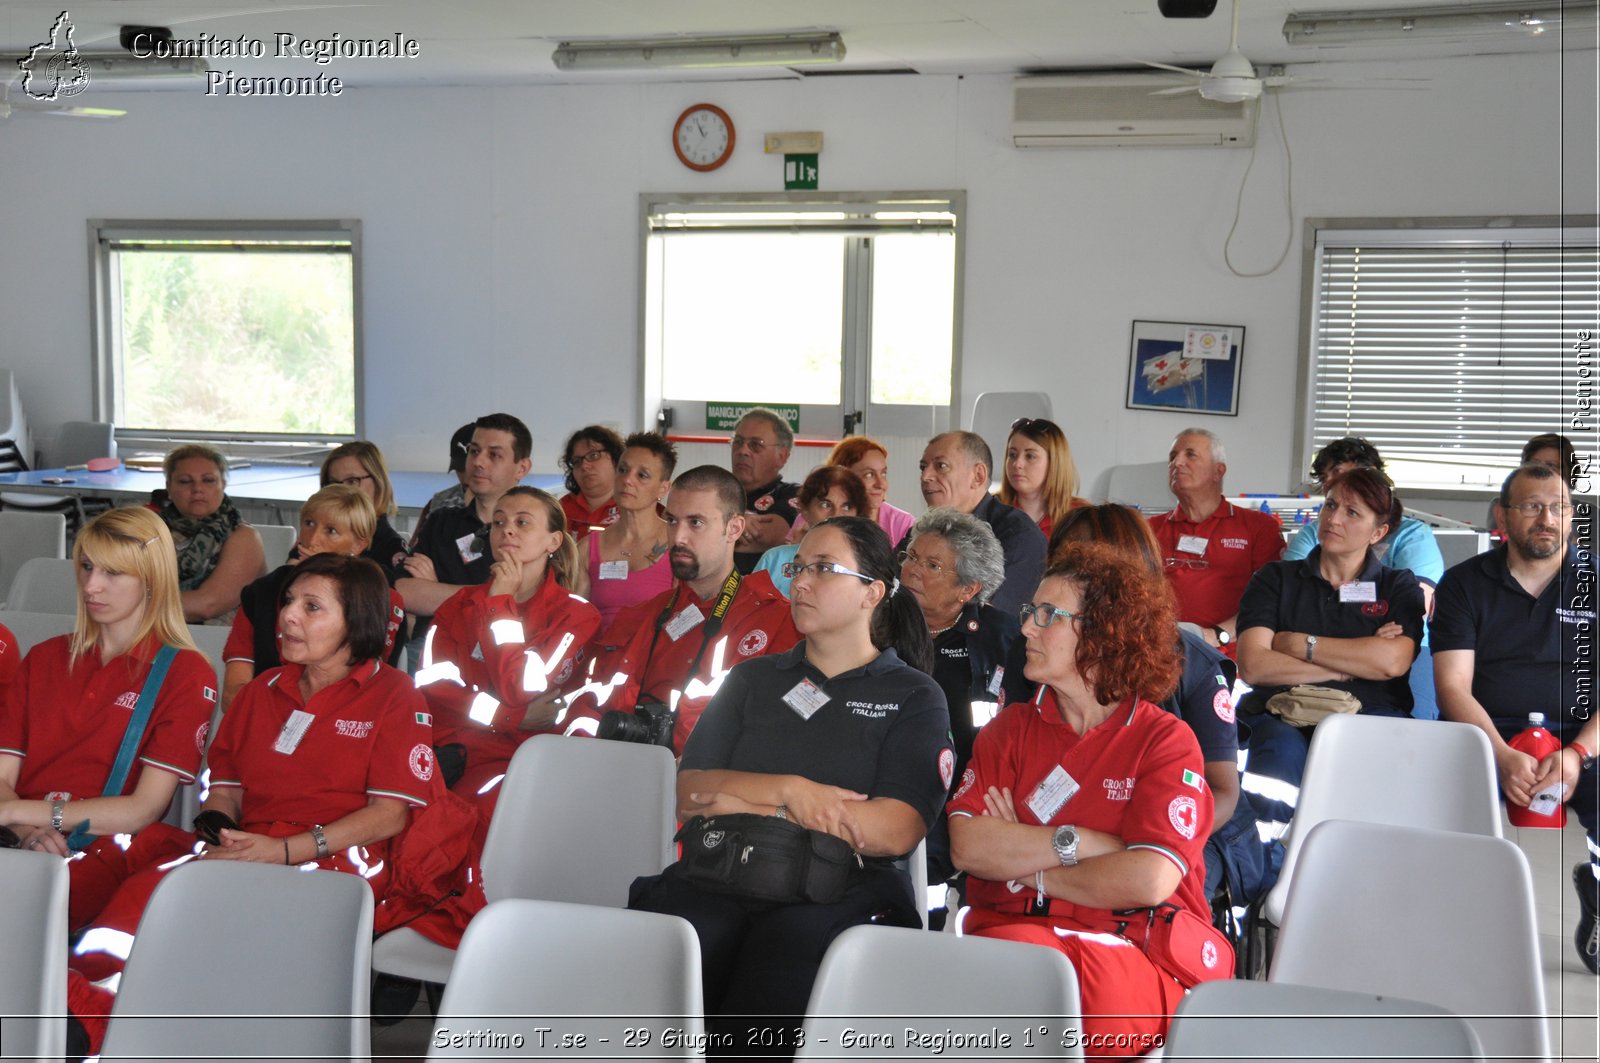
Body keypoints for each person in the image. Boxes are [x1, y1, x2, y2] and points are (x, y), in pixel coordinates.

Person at [629, 516, 952, 1054]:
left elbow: (893, 830)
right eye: (798, 567)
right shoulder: (753, 678)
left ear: (873, 591)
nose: (799, 582)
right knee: (680, 941)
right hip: (725, 870)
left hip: (837, 887)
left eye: (823, 569)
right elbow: (690, 794)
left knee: (785, 953)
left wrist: (745, 800)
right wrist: (792, 792)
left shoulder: (913, 696)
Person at [73, 553, 437, 983]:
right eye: (288, 601)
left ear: (356, 621)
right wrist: (225, 834)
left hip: (339, 859)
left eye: (311, 606)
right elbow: (227, 792)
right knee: (131, 873)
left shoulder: (395, 695)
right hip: (253, 847)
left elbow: (388, 815)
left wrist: (284, 851)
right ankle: (72, 1000)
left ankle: (100, 1016)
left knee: (193, 906)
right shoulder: (259, 693)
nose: (287, 616)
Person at [948, 542, 1214, 1056]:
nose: (1026, 627)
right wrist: (1086, 842)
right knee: (1003, 974)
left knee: (1009, 982)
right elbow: (969, 846)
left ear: (1102, 631)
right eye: (1030, 612)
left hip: (1131, 953)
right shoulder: (1010, 730)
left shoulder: (1164, 741)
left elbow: (1148, 877)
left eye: (1047, 615)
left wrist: (1026, 865)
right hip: (1009, 935)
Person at [0, 507, 216, 930]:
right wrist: (26, 830)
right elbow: (3, 774)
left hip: (96, 848)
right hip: (20, 838)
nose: (91, 586)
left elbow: (142, 810)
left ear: (151, 579)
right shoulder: (44, 657)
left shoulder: (186, 672)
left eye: (113, 573)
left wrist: (17, 815)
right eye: (86, 567)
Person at [1052, 504, 1267, 903]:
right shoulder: (1038, 653)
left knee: (1148, 900)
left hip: (1182, 833)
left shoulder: (1194, 665)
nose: (1074, 571)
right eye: (1065, 559)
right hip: (1069, 828)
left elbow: (1222, 792)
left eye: (1089, 559)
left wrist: (1153, 843)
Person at [1432, 462, 1599, 973]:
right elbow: (1452, 686)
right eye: (1531, 506)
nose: (1546, 518)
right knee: (1439, 807)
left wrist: (1577, 754)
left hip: (1580, 737)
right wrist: (1500, 755)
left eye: (1559, 508)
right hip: (1485, 734)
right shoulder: (1463, 584)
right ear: (1503, 515)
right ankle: (1453, 921)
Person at [561, 466, 799, 753]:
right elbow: (588, 703)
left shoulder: (777, 619)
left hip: (711, 786)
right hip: (621, 772)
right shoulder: (642, 616)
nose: (678, 537)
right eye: (672, 521)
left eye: (696, 522)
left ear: (734, 528)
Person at [1235, 467, 1425, 826]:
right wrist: (1347, 664)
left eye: (1352, 512)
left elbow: (1392, 663)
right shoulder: (1274, 579)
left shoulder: (1397, 586)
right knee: (1277, 758)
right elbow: (1255, 665)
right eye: (1330, 506)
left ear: (1378, 532)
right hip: (1281, 712)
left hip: (1369, 716)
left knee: (1362, 772)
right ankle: (1262, 871)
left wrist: (1297, 644)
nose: (1333, 519)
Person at [417, 487, 600, 802]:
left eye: (523, 522)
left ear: (553, 541)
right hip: (450, 753)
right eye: (499, 523)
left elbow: (520, 688)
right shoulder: (458, 605)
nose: (507, 530)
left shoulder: (577, 615)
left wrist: (500, 604)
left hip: (523, 763)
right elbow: (435, 686)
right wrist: (507, 716)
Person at [897, 508, 1031, 892]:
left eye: (933, 565)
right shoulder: (875, 624)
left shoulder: (1006, 641)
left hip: (965, 796)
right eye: (911, 556)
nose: (912, 570)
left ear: (969, 589)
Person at [1285, 437, 1446, 718]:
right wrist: (1365, 640)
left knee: (1416, 726)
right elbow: (1294, 596)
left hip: (1407, 647)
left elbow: (1417, 604)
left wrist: (1328, 633)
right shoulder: (1313, 533)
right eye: (1326, 478)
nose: (1330, 484)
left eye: (1339, 473)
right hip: (1320, 650)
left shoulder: (1413, 534)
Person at [222, 485, 406, 709]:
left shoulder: (383, 601)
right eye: (309, 523)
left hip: (346, 727)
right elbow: (233, 696)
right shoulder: (261, 593)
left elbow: (371, 694)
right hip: (265, 720)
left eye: (331, 531)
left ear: (359, 545)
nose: (313, 538)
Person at [1149, 428, 1284, 657]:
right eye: (1173, 457)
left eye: (1190, 455)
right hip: (1161, 654)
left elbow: (1272, 600)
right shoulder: (1149, 529)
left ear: (1218, 471)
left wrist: (1217, 635)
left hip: (1230, 656)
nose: (1177, 463)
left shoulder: (1258, 526)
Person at [398, 413, 532, 621]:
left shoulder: (536, 529)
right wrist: (492, 593)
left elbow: (527, 602)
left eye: (494, 455)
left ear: (521, 468)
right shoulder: (441, 522)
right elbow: (404, 591)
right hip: (439, 644)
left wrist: (435, 589)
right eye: (474, 451)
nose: (478, 461)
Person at [905, 431, 1046, 619]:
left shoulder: (1019, 536)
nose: (926, 477)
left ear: (978, 476)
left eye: (941, 466)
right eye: (923, 468)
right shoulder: (925, 531)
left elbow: (990, 617)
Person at [151, 443, 266, 623]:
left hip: (219, 640)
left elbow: (208, 605)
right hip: (153, 631)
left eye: (208, 480)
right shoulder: (149, 529)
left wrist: (131, 604)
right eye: (185, 481)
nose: (197, 488)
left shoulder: (244, 537)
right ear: (169, 488)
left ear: (223, 485)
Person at [586, 432, 677, 626]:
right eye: (622, 470)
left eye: (642, 475)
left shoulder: (678, 544)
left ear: (663, 488)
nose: (627, 480)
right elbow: (574, 620)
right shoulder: (586, 549)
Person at [754, 465, 868, 596]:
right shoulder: (774, 560)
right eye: (825, 505)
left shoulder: (866, 565)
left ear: (858, 515)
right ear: (805, 510)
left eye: (847, 507)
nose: (836, 515)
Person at [319, 440, 409, 583]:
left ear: (378, 483)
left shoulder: (391, 548)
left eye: (353, 481)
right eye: (333, 484)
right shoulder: (315, 533)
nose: (342, 491)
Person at [729, 408, 802, 573]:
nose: (742, 451)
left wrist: (711, 526)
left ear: (781, 456)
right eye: (738, 442)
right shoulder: (715, 490)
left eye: (755, 445)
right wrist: (741, 524)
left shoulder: (792, 495)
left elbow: (770, 537)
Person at [997, 417, 1088, 539]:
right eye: (1012, 455)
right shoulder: (990, 509)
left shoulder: (1079, 517)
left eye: (1030, 456)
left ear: (1055, 462)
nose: (1017, 464)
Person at [826, 435, 915, 545]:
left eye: (883, 474)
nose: (881, 484)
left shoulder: (903, 524)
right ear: (842, 477)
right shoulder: (816, 515)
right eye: (869, 475)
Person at [408, 422, 477, 550]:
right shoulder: (440, 502)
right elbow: (416, 550)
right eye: (460, 469)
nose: (465, 476)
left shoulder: (507, 505)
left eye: (470, 468)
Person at [560, 424, 624, 539]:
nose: (584, 466)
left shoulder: (632, 505)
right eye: (577, 461)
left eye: (594, 455)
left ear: (615, 459)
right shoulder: (560, 510)